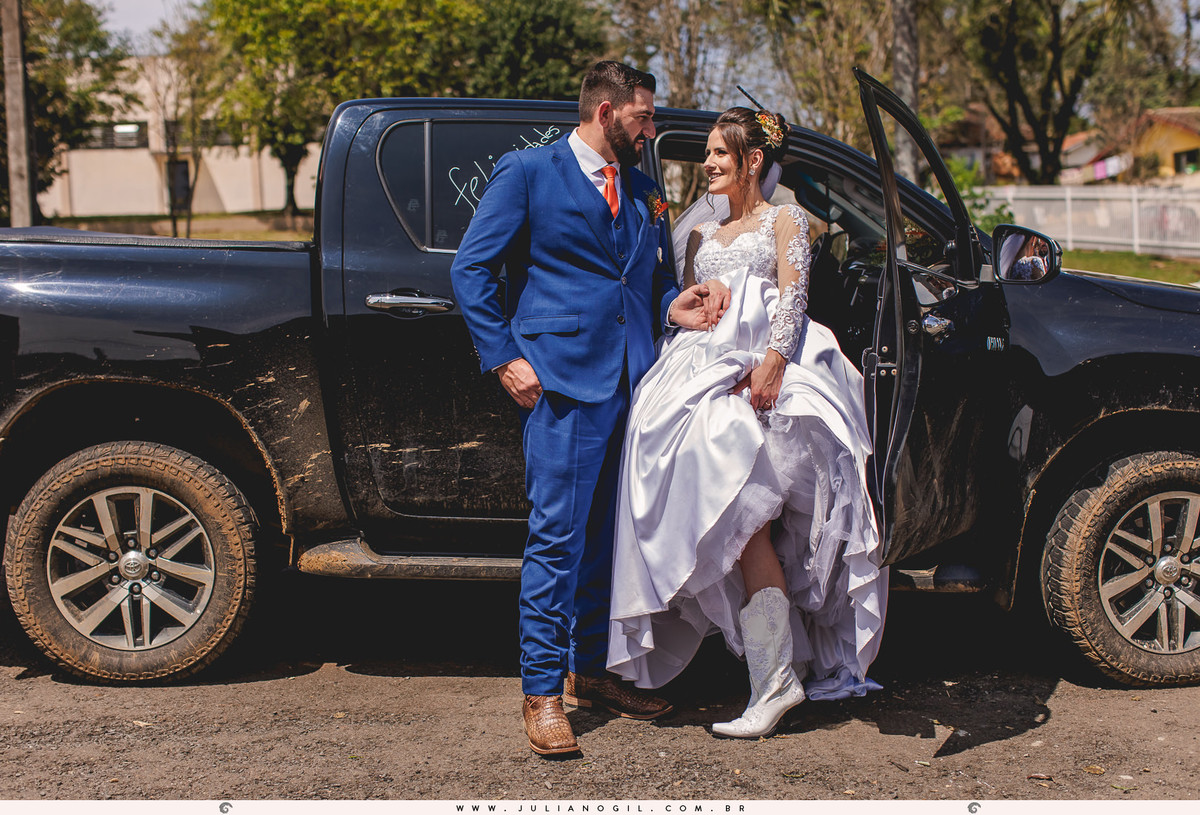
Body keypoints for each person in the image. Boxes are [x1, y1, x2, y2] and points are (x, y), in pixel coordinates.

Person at [451, 61, 727, 757]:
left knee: (608, 540)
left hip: (634, 383)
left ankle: (592, 672)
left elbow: (649, 279)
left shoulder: (640, 187)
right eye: (643, 117)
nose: (651, 129)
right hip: (563, 383)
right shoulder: (529, 172)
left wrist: (676, 303)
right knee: (557, 540)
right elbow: (471, 269)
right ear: (605, 113)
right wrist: (504, 356)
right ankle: (541, 693)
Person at [607, 106, 887, 739]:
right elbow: (687, 306)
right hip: (701, 377)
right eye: (707, 154)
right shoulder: (701, 237)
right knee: (735, 526)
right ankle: (774, 677)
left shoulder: (786, 219)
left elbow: (792, 298)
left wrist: (773, 366)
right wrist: (684, 315)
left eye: (719, 155)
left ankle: (776, 681)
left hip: (765, 380)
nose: (707, 164)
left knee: (752, 524)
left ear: (752, 160)